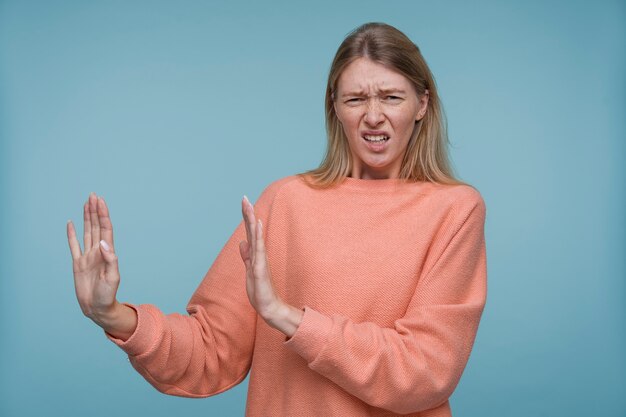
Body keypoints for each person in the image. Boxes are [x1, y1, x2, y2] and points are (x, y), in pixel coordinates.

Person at [67, 22, 487, 417]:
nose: (373, 115)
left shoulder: (454, 209)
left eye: (391, 97)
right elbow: (212, 352)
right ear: (334, 107)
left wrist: (287, 317)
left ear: (422, 104)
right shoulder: (286, 200)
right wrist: (114, 316)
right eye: (355, 99)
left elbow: (425, 371)